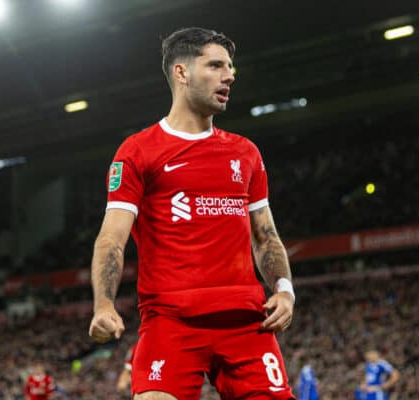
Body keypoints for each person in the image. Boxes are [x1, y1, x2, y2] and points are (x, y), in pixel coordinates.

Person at [88, 27, 296, 400]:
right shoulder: (138, 152)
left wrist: (284, 290)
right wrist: (103, 304)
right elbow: (111, 238)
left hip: (247, 324)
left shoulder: (245, 152)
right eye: (215, 65)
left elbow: (266, 236)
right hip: (172, 324)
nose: (229, 75)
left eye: (230, 67)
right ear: (181, 73)